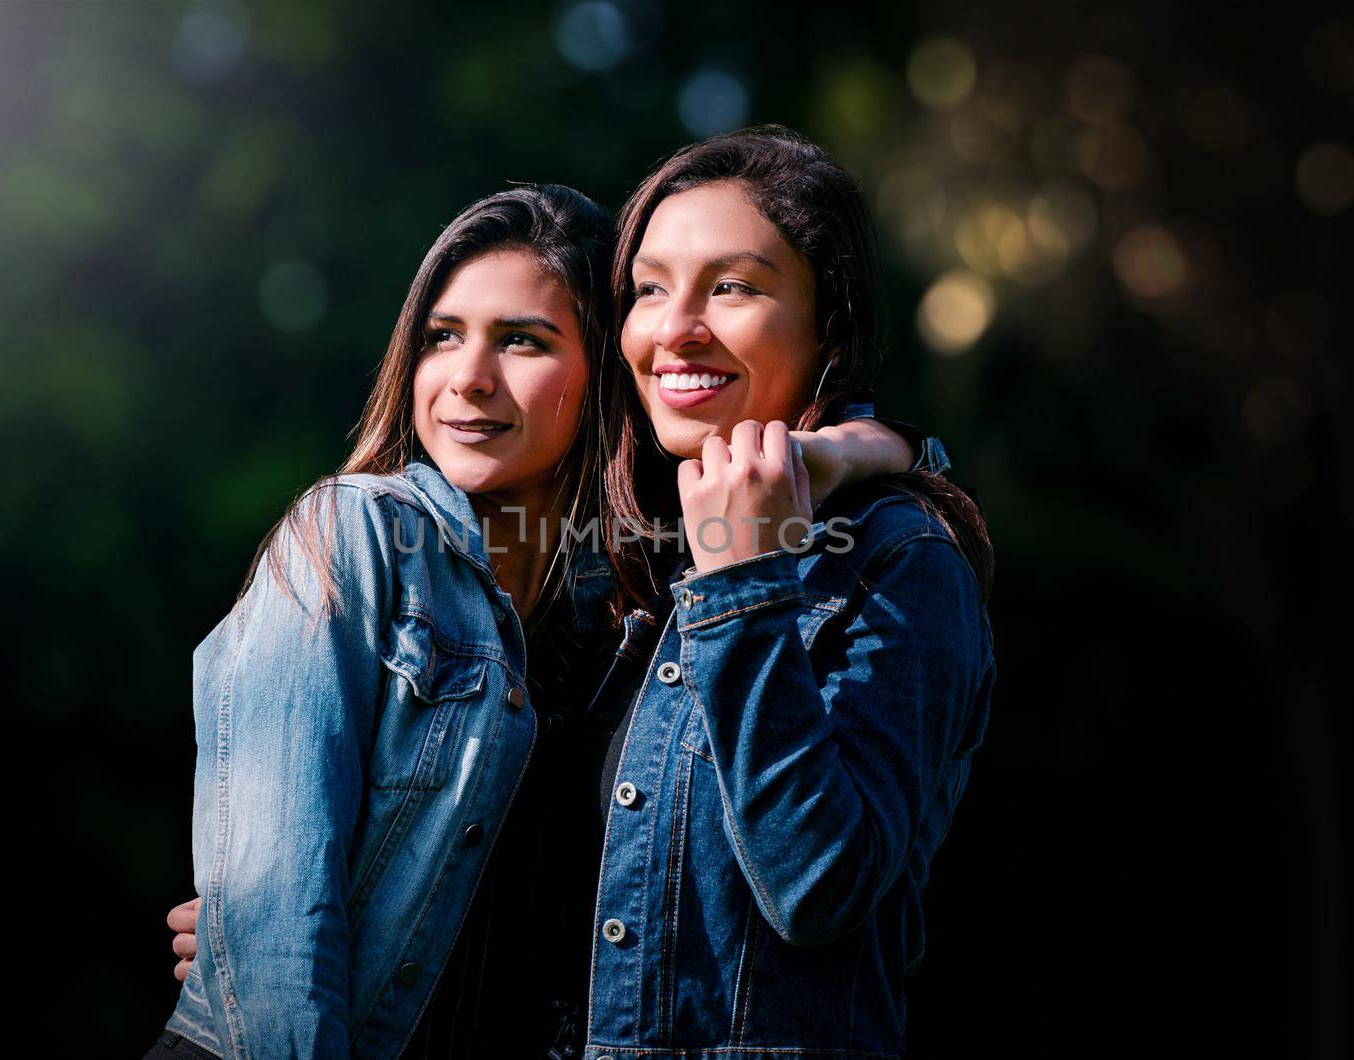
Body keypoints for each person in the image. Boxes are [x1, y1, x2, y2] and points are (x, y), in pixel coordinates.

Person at [148, 180, 932, 1060]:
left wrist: (859, 445)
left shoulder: (636, 612)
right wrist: (243, 941)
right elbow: (273, 958)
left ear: (606, 371)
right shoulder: (357, 535)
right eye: (443, 337)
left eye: (522, 341)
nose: (468, 379)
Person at [577, 125, 997, 1059]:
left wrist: (745, 583)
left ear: (829, 326)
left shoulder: (902, 563)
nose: (674, 327)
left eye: (732, 286)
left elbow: (817, 886)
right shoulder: (632, 554)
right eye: (649, 288)